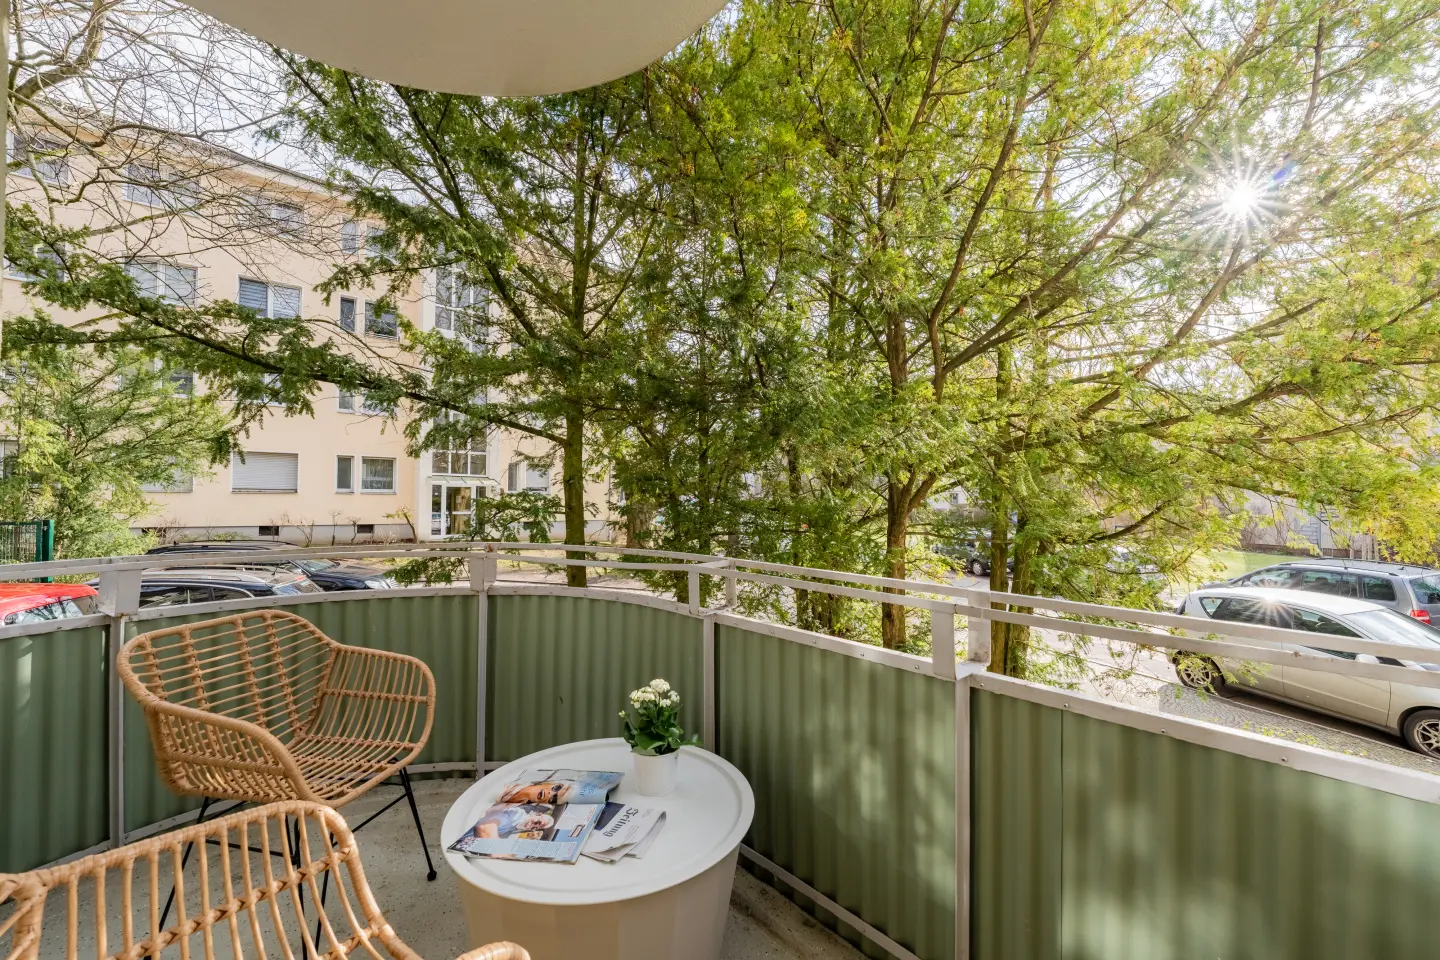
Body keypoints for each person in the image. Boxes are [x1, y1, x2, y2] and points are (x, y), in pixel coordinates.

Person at [470, 803, 555, 839]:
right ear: (537, 814)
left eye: (536, 828)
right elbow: (485, 827)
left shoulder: (513, 828)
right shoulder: (517, 815)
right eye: (537, 822)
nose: (533, 826)